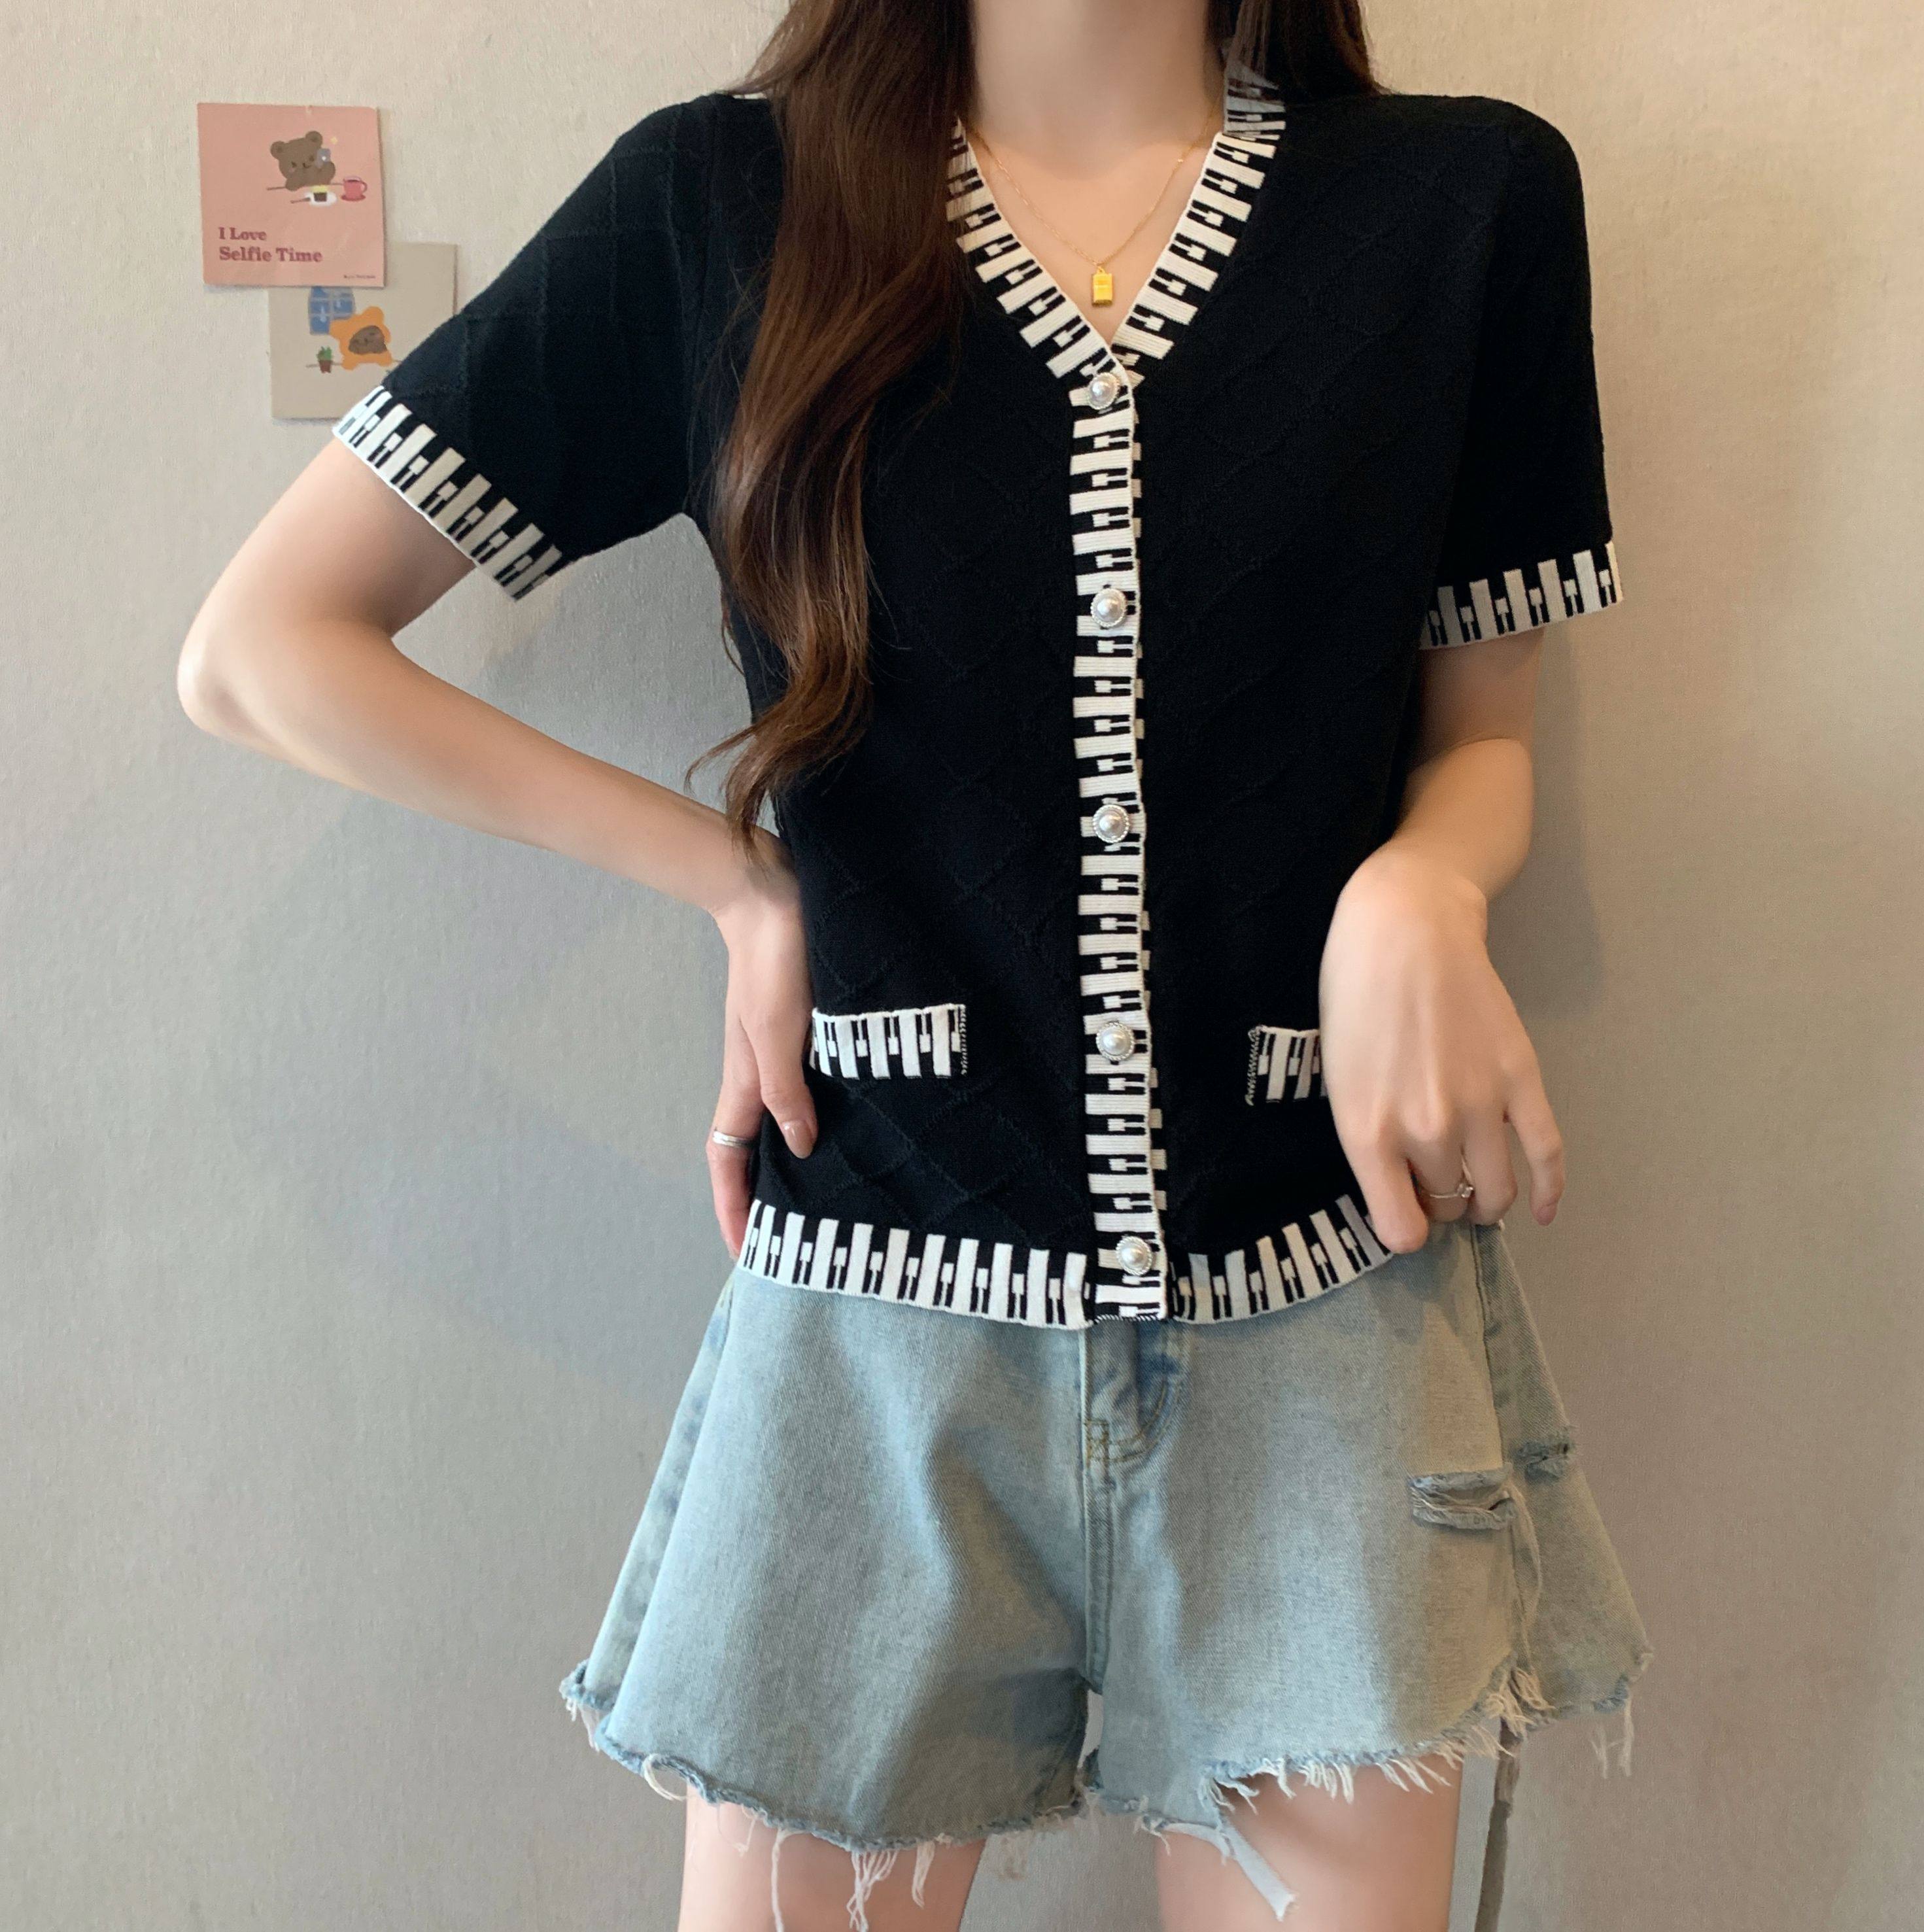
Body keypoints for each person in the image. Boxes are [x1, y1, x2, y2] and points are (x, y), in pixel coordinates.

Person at [177, 1, 1651, 1926]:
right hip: (880, 1316)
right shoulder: (726, 207)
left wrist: (1423, 889)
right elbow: (268, 645)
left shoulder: (1463, 204)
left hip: (1321, 1306)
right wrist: (737, 884)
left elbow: (1483, 737)